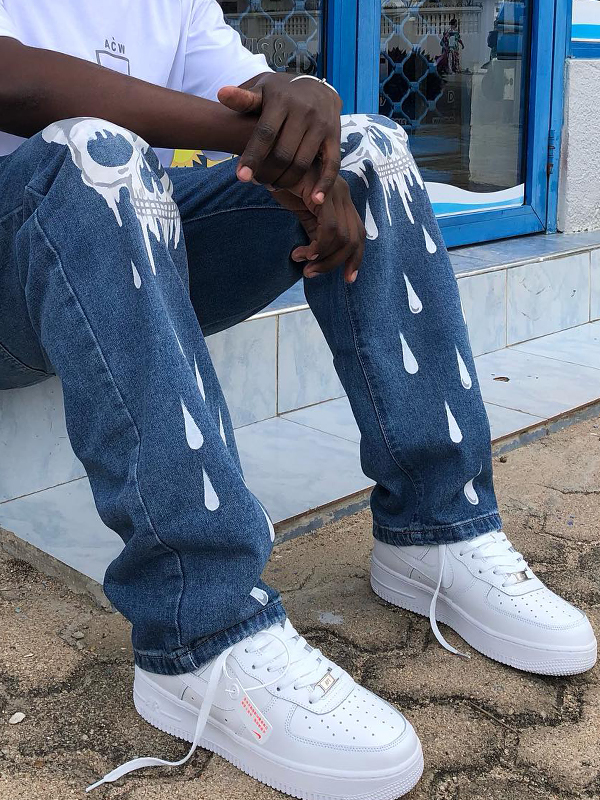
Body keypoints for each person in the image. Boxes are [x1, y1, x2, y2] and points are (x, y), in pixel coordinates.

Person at [0, 2, 596, 798]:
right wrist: (279, 147)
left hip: (124, 253)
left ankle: (437, 530)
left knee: (369, 148)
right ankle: (200, 624)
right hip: (15, 276)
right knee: (91, 151)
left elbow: (261, 94)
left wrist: (311, 111)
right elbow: (15, 82)